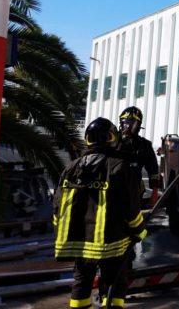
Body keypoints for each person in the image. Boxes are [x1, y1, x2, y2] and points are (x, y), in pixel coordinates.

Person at [54, 117, 146, 309]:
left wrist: (61, 232)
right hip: (111, 244)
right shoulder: (119, 167)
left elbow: (58, 207)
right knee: (114, 285)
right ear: (112, 138)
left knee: (81, 283)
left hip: (79, 243)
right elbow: (131, 208)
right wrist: (139, 232)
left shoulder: (71, 168)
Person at [118, 106, 160, 208]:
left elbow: (153, 169)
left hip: (135, 191)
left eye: (134, 123)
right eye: (127, 122)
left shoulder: (144, 145)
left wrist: (154, 193)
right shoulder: (112, 141)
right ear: (121, 123)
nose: (129, 126)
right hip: (112, 189)